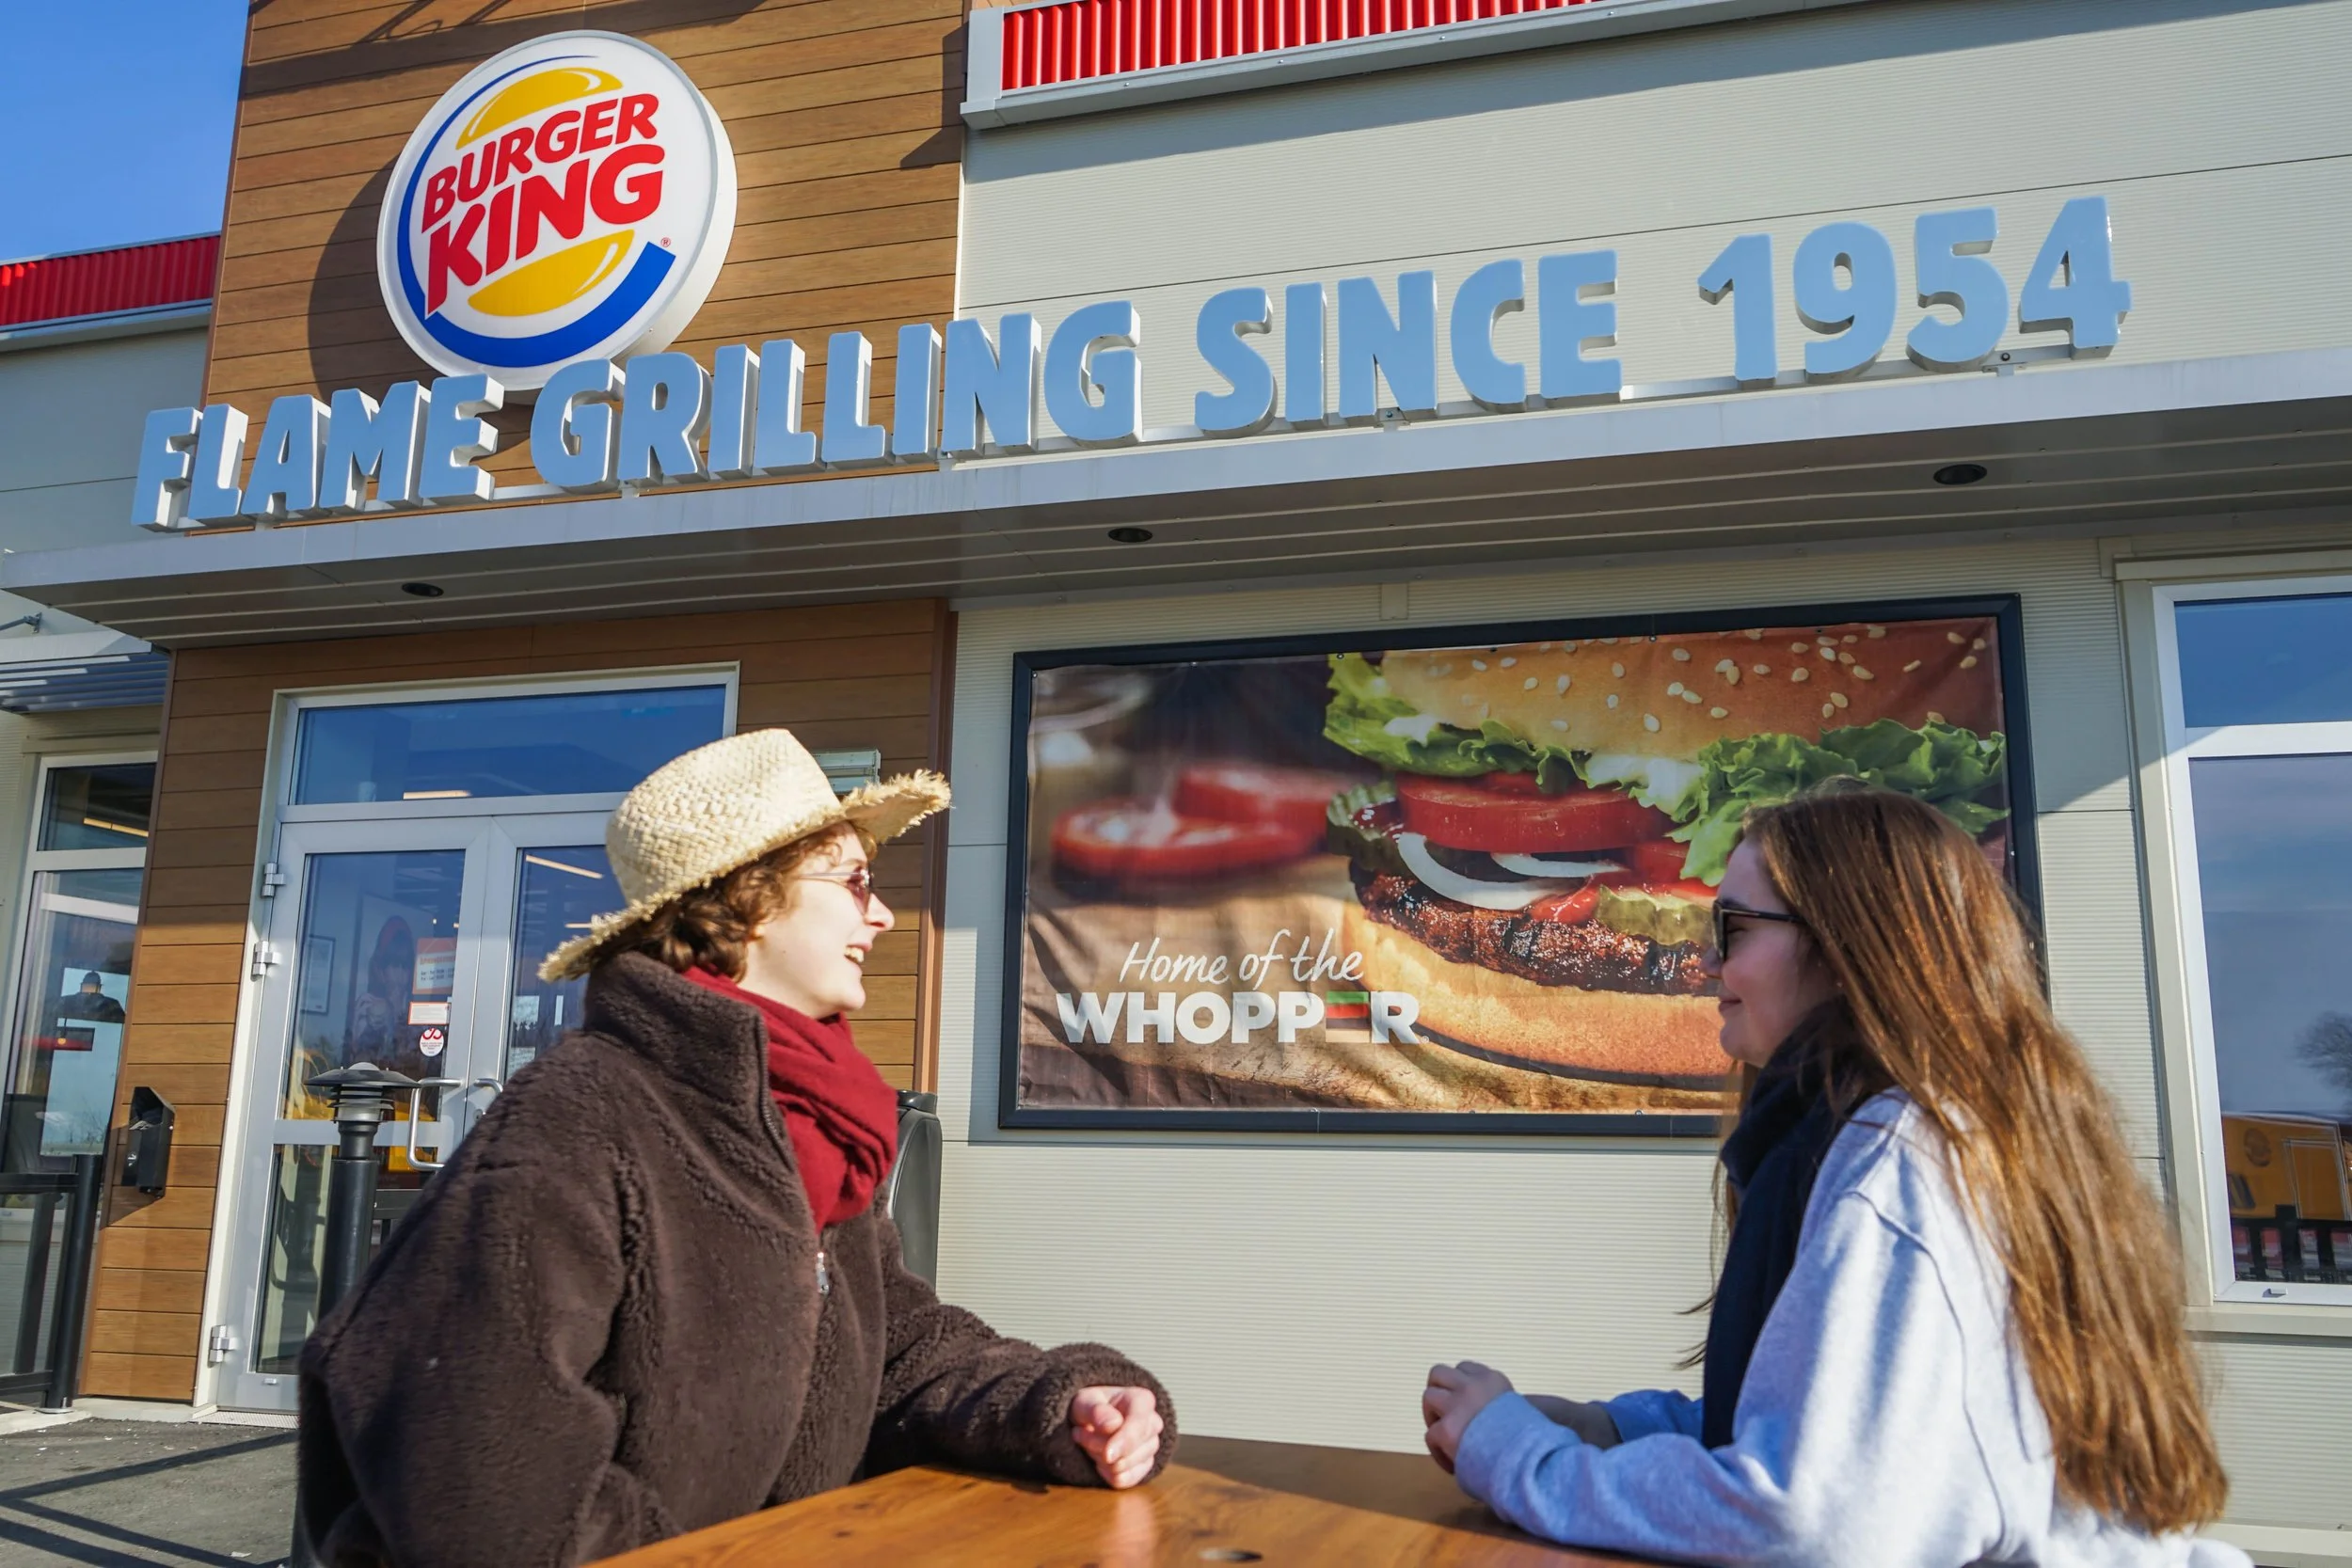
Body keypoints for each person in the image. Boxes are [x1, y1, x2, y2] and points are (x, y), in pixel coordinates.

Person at [297, 729, 1174, 1567]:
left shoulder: (816, 1120)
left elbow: (897, 1346)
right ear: (748, 898)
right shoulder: (583, 1114)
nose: (885, 914)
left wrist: (1063, 1401)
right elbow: (473, 1469)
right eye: (856, 880)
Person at [1421, 783, 2249, 1568]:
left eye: (1731, 929)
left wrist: (1519, 1457)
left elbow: (1812, 1513)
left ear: (1848, 944)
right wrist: (1611, 1427)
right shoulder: (1955, 1130)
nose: (1705, 963)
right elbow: (1847, 1431)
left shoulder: (1899, 1158)